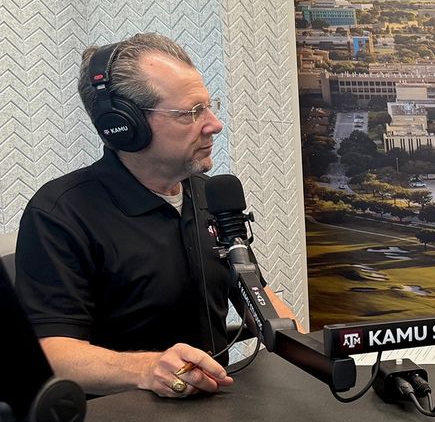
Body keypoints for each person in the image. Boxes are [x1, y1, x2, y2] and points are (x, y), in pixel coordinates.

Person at [15, 33, 300, 398]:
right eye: (191, 112)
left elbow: (254, 295)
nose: (214, 124)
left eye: (210, 107)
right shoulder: (60, 213)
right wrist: (148, 368)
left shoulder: (208, 195)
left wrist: (314, 352)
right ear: (123, 125)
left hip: (218, 417)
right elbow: (50, 352)